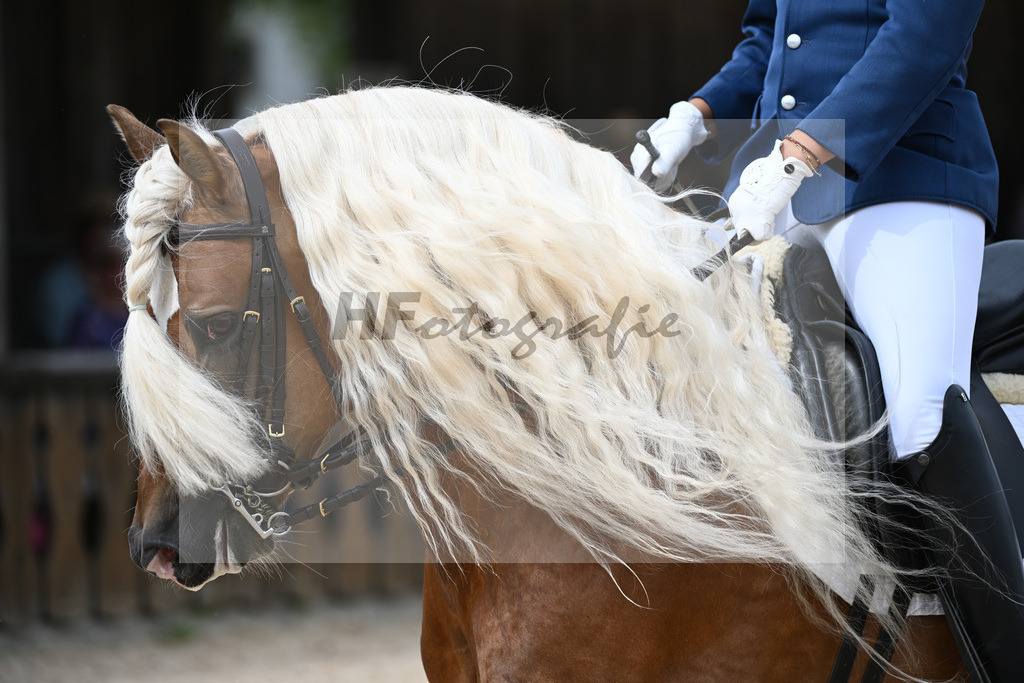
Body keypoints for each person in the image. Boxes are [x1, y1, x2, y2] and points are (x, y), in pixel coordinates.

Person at [630, 0, 1024, 676]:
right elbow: (770, 38)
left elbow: (926, 34)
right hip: (780, 192)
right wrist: (696, 115)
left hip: (903, 180)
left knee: (920, 415)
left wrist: (803, 151)